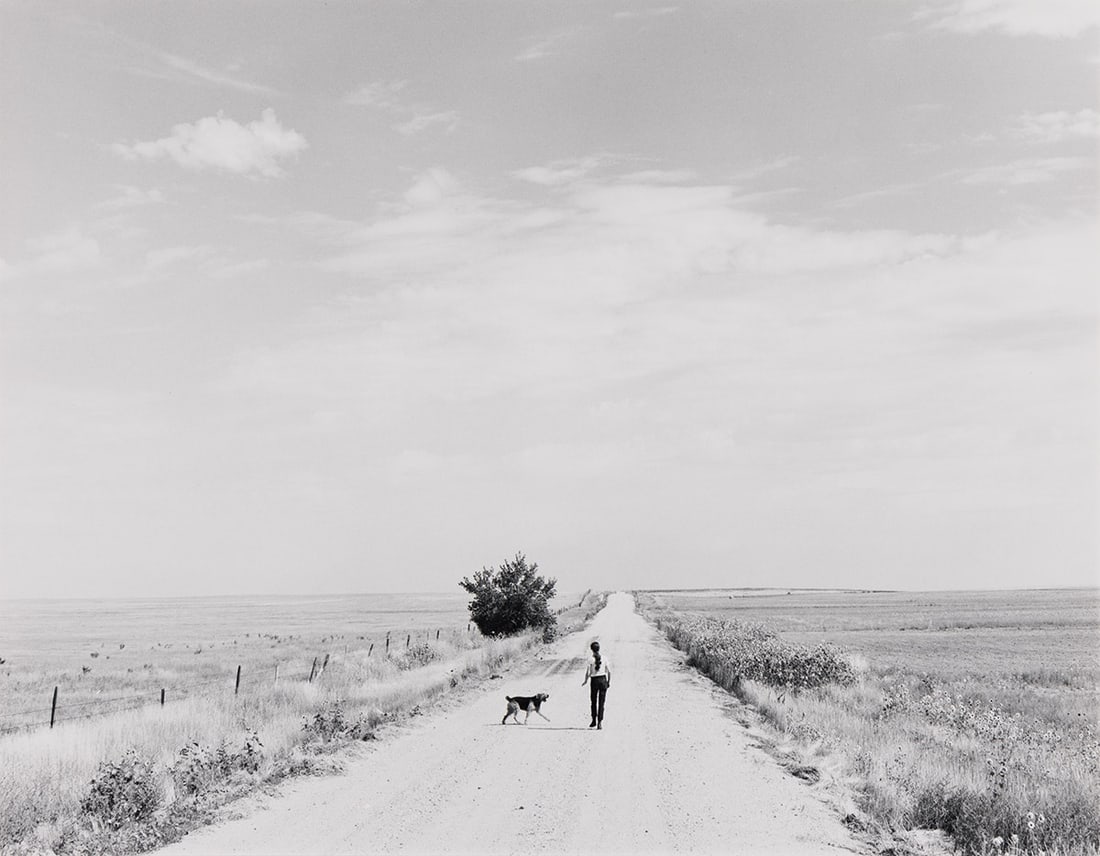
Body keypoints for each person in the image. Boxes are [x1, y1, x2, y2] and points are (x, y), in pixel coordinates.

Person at [581, 640, 611, 729]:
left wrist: (585, 681)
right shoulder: (605, 658)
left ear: (591, 649)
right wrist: (608, 682)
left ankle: (593, 720)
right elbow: (609, 671)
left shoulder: (590, 659)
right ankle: (600, 722)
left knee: (593, 701)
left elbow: (588, 672)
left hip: (594, 680)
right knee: (602, 702)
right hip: (603, 679)